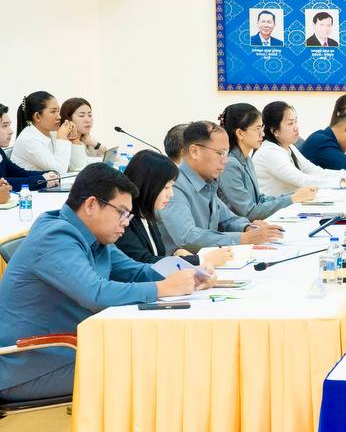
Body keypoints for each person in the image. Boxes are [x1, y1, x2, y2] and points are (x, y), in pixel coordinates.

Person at [0, 164, 210, 401]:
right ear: (91, 205)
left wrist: (189, 273)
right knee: (154, 364)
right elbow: (96, 294)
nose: (126, 222)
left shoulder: (94, 237)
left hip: (67, 351)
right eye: (121, 212)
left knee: (161, 350)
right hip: (31, 365)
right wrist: (163, 288)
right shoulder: (55, 237)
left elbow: (136, 272)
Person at [157, 121, 283, 252]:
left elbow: (227, 219)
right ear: (194, 151)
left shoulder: (207, 182)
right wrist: (245, 238)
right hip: (185, 263)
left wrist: (248, 227)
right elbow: (187, 238)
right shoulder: (173, 186)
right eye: (220, 153)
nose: (225, 160)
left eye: (226, 153)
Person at [118, 150, 233, 267]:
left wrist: (176, 255)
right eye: (166, 187)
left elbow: (156, 257)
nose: (171, 194)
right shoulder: (123, 221)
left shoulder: (147, 215)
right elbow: (144, 262)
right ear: (148, 185)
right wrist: (201, 260)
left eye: (171, 187)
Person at [217, 103, 317, 220]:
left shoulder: (246, 159)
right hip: (240, 228)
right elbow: (249, 212)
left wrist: (294, 195)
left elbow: (259, 200)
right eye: (257, 129)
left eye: (262, 128)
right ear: (240, 133)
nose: (263, 134)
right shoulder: (230, 164)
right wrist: (292, 198)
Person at [255, 101, 346, 195]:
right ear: (275, 130)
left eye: (295, 122)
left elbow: (315, 171)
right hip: (274, 211)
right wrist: (345, 182)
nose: (296, 128)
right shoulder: (269, 152)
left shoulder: (289, 147)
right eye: (290, 124)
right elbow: (303, 180)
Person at [11, 91, 93, 174]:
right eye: (53, 112)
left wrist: (74, 139)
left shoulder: (52, 133)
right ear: (37, 116)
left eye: (58, 111)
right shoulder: (29, 139)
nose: (59, 117)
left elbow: (78, 168)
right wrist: (61, 138)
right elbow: (59, 171)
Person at [0, 102, 58, 190]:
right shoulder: (28, 138)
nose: (11, 131)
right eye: (4, 126)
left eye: (9, 125)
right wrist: (41, 180)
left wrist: (50, 174)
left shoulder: (0, 152)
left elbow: (19, 173)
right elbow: (5, 183)